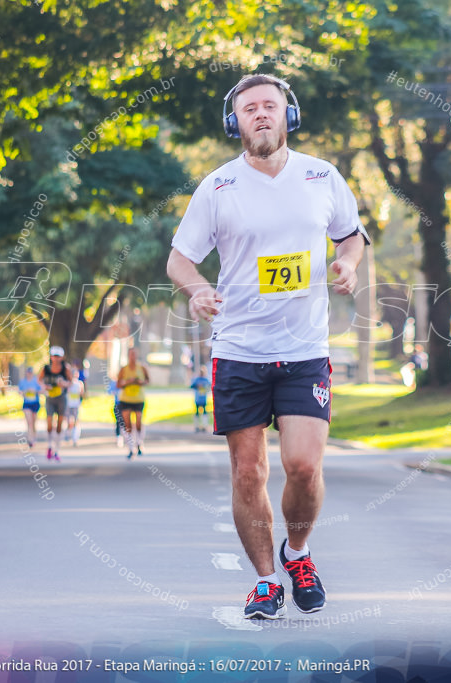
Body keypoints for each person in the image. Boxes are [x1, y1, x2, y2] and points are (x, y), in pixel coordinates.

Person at [166, 73, 368, 620]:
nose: (259, 114)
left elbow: (351, 235)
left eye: (269, 106)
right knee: (248, 472)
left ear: (287, 115)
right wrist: (199, 288)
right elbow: (179, 259)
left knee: (303, 466)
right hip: (238, 351)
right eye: (248, 108)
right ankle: (263, 581)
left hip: (304, 349)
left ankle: (297, 553)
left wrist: (347, 263)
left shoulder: (322, 176)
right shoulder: (218, 187)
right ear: (235, 122)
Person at [39, 346, 72, 461]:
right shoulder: (46, 368)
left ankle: (57, 450)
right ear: (51, 357)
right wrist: (44, 386)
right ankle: (49, 446)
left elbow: (71, 382)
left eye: (58, 356)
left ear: (62, 357)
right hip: (50, 398)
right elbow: (40, 380)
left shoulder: (65, 368)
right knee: (49, 423)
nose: (56, 358)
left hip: (61, 398)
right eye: (54, 356)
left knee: (59, 424)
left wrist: (64, 383)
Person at [116, 347, 149, 458]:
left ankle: (139, 443)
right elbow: (118, 384)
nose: (132, 356)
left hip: (138, 399)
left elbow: (147, 381)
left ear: (137, 355)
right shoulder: (124, 369)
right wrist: (127, 382)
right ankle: (131, 448)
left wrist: (140, 382)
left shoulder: (142, 368)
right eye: (131, 354)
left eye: (134, 354)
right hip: (126, 399)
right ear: (128, 356)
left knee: (139, 421)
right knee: (127, 424)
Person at [18, 367, 42, 446]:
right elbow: (19, 392)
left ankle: (34, 437)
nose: (29, 374)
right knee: (29, 422)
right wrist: (24, 392)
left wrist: (34, 391)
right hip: (27, 404)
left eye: (30, 373)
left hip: (35, 403)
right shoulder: (23, 382)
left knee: (34, 422)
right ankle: (30, 439)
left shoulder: (36, 381)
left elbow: (41, 390)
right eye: (28, 373)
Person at [64, 372, 84, 446]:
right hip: (69, 405)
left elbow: (82, 394)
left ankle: (75, 438)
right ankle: (68, 434)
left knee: (76, 421)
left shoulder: (80, 384)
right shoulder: (68, 383)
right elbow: (65, 391)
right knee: (69, 421)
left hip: (76, 405)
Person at [190, 368, 212, 432]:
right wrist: (197, 386)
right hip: (198, 399)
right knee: (197, 412)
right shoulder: (197, 380)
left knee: (204, 412)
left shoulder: (206, 380)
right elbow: (192, 386)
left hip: (203, 399)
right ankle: (196, 426)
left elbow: (209, 387)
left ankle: (204, 426)